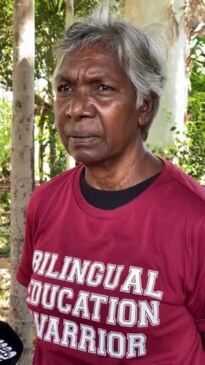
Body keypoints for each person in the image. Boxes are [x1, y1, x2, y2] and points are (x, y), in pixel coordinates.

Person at [16, 4, 205, 365]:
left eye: (102, 88)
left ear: (143, 107)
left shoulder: (195, 220)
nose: (76, 108)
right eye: (65, 89)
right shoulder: (45, 203)